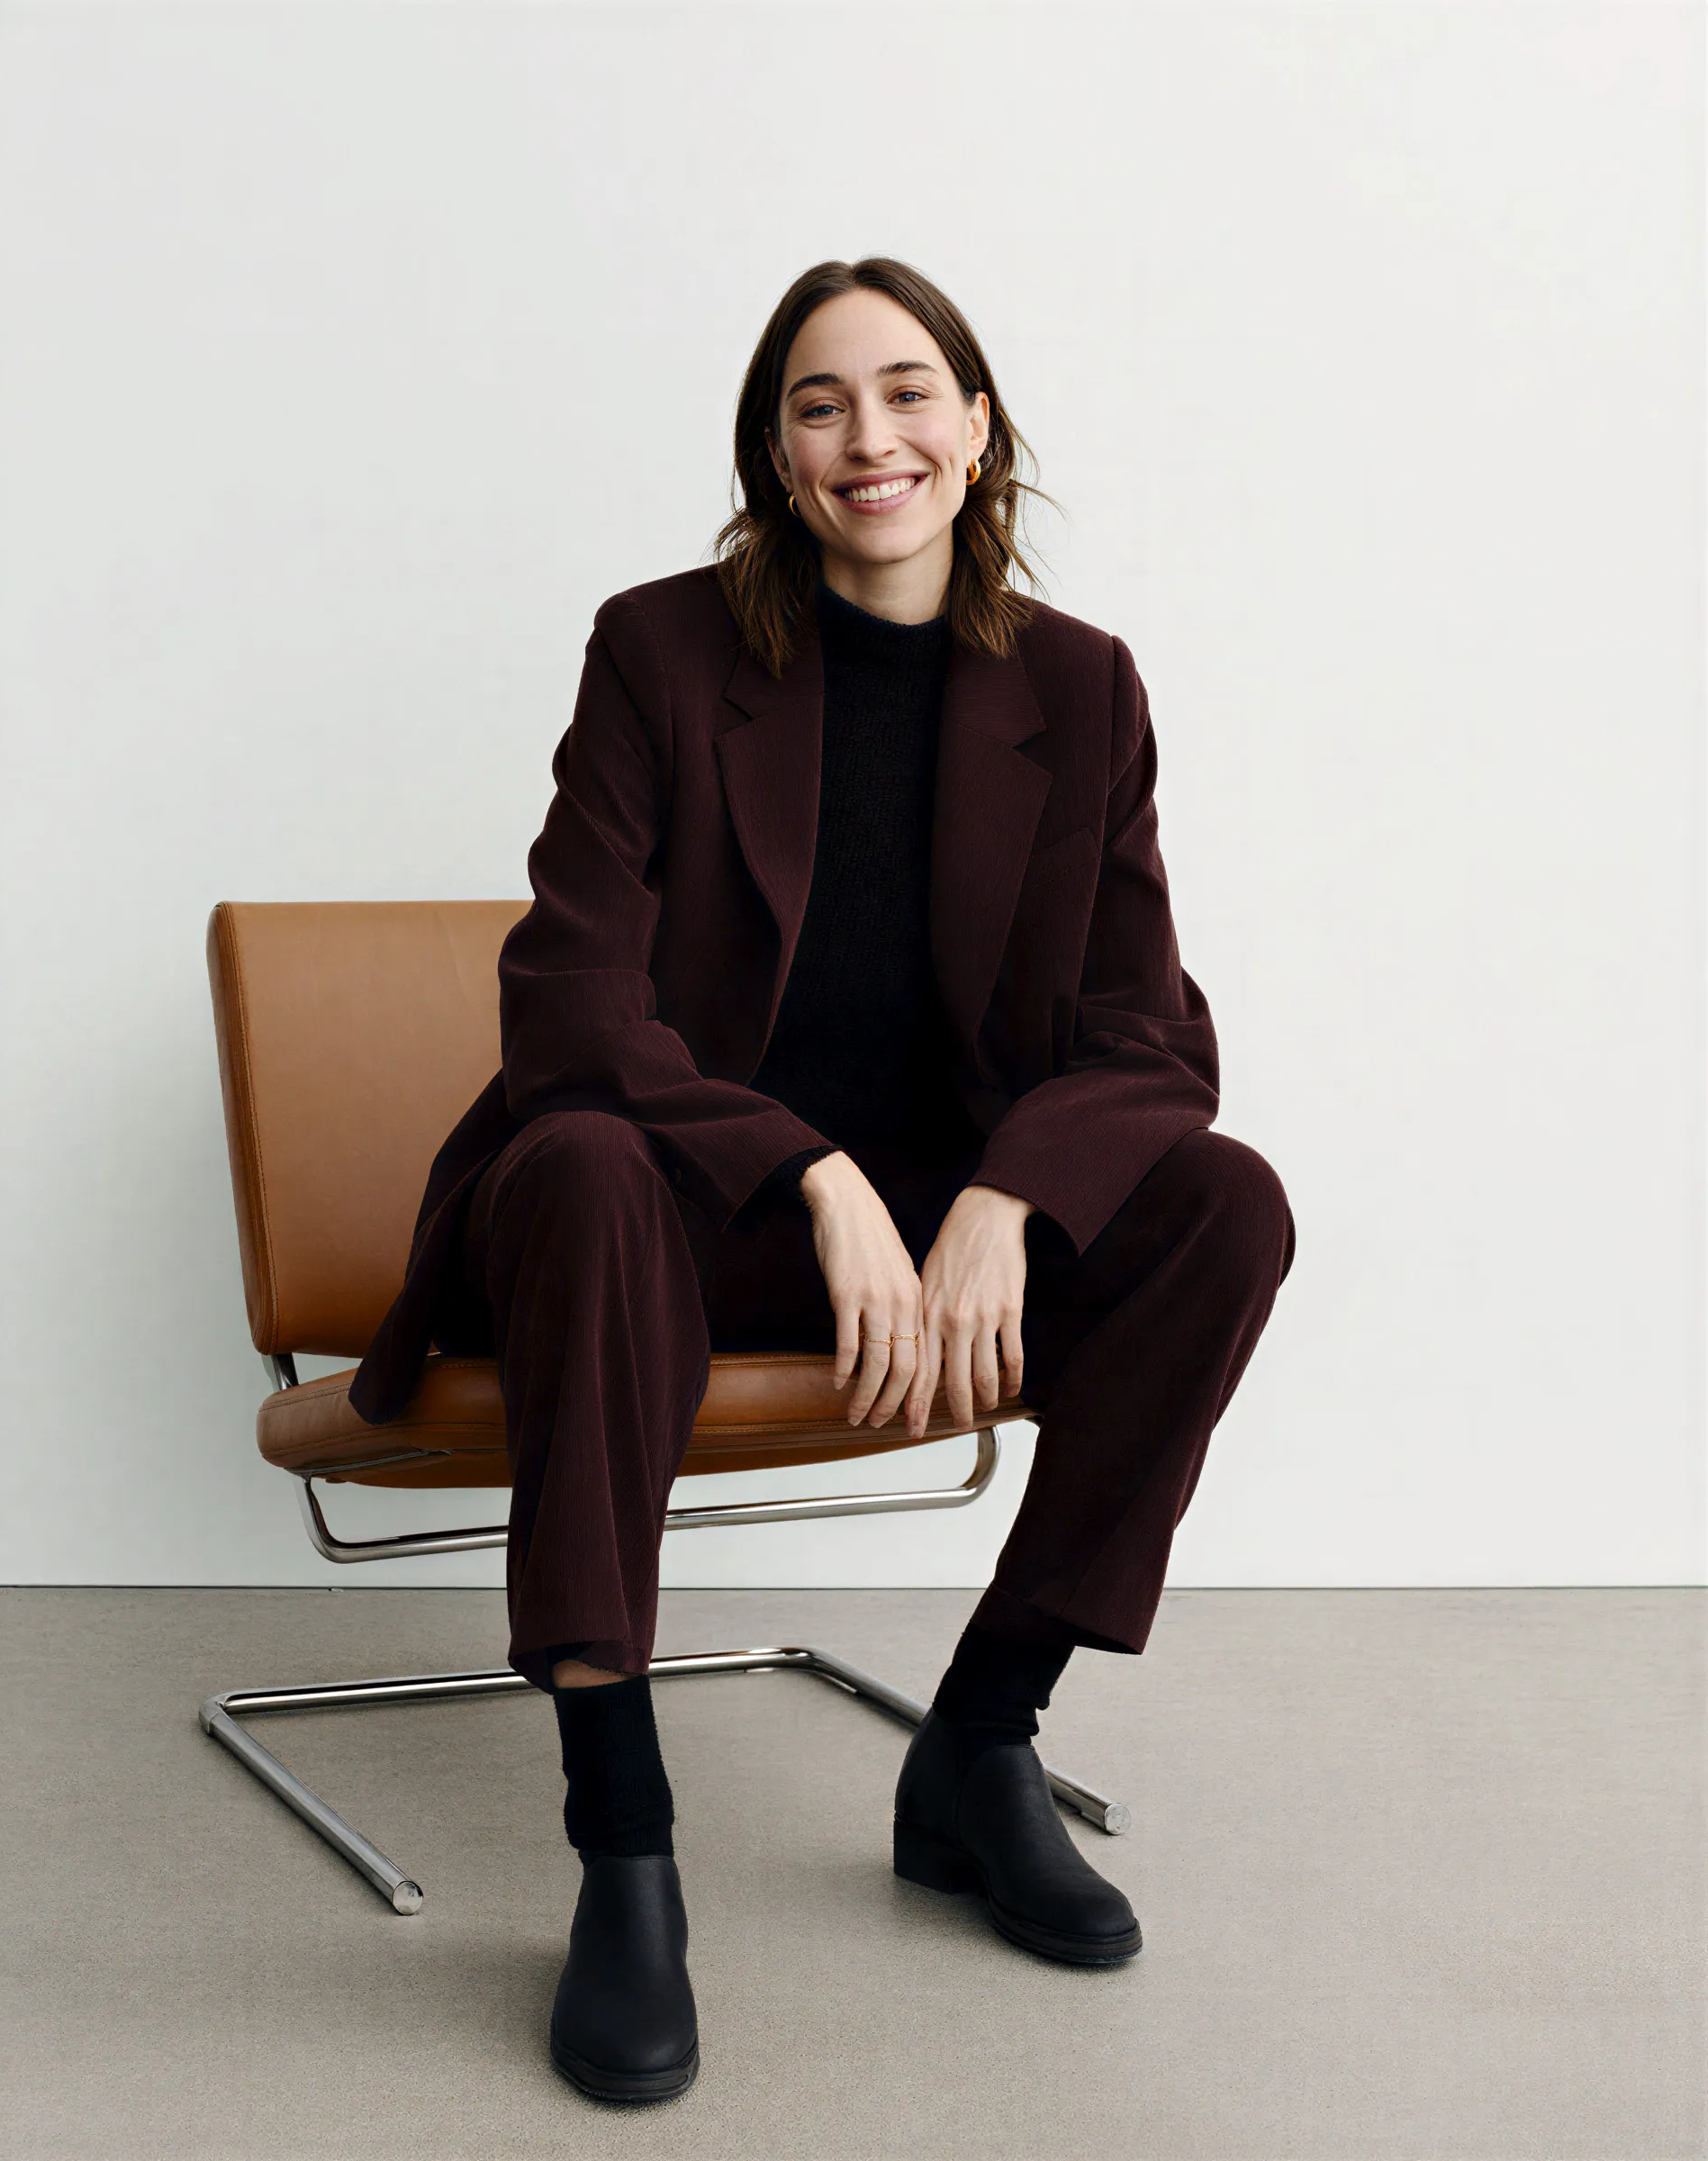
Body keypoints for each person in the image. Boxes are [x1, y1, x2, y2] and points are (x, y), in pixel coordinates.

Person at [347, 255, 1297, 2105]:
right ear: (777, 456)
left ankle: (983, 1747)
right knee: (595, 1174)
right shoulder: (661, 652)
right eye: (820, 402)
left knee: (1224, 1203)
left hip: (935, 1253)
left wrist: (1001, 1204)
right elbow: (567, 998)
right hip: (670, 1223)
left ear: (978, 424)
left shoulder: (1082, 690)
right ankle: (624, 1851)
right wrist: (816, 1177)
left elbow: (1148, 1039)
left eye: (910, 389)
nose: (873, 435)